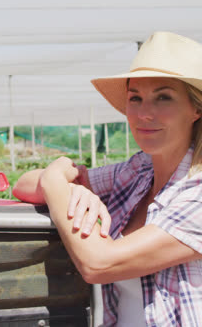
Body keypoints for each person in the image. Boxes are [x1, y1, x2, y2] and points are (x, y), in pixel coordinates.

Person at [13, 31, 202, 327]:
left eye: (163, 97)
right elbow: (23, 185)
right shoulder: (139, 172)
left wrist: (56, 183)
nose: (144, 113)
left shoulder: (197, 192)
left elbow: (99, 263)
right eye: (135, 98)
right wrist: (71, 189)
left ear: (196, 109)